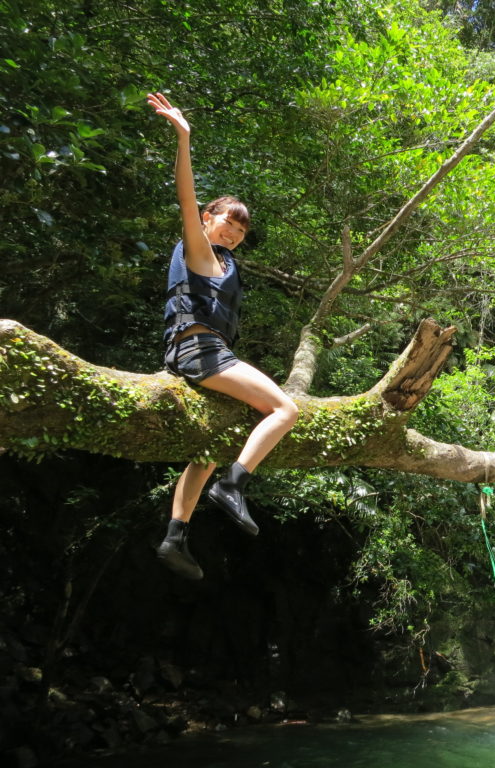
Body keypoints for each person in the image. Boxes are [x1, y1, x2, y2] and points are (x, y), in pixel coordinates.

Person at [147, 92, 299, 580]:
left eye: (240, 228)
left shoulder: (225, 262)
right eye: (226, 221)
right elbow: (186, 198)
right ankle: (234, 485)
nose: (232, 232)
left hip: (195, 353)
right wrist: (184, 137)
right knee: (285, 409)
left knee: (209, 447)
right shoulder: (198, 248)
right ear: (209, 219)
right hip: (199, 352)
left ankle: (175, 536)